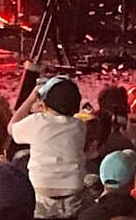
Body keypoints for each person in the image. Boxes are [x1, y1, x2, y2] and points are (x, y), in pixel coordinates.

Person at [8, 76, 86, 219]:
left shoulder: (37, 121)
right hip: (73, 189)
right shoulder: (79, 126)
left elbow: (11, 128)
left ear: (44, 105)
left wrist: (31, 98)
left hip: (42, 191)